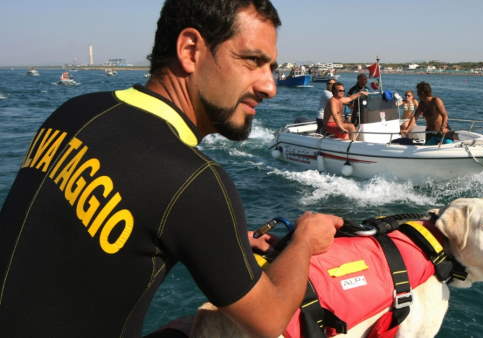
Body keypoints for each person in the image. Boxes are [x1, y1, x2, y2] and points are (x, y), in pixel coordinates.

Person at [0, 1, 343, 338]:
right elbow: (268, 320)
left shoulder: (75, 111)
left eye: (270, 68)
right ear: (190, 50)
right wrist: (304, 239)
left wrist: (221, 241)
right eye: (252, 61)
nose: (269, 86)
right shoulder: (194, 181)